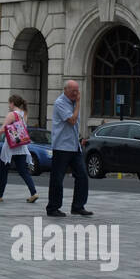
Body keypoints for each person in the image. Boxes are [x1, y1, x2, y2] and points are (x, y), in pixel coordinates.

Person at [0, 94, 40, 203]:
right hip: (21, 146)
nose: (8, 105)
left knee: (4, 171)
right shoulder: (24, 114)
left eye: (9, 103)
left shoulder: (12, 114)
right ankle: (33, 192)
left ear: (12, 103)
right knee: (24, 171)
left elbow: (2, 130)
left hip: (10, 147)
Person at [48, 79, 92, 217]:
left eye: (77, 91)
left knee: (82, 176)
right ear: (65, 90)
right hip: (61, 146)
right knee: (57, 178)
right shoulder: (60, 103)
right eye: (73, 91)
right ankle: (53, 208)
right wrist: (78, 103)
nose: (75, 93)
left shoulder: (73, 103)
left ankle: (78, 206)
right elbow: (72, 121)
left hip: (74, 146)